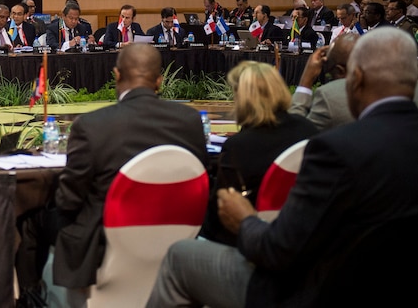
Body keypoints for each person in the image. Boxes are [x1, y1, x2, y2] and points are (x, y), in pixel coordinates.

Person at [146, 27, 418, 308]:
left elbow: (279, 251)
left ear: (356, 78)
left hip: (311, 290)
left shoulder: (337, 150)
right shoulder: (329, 140)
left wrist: (245, 220)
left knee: (179, 255)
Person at [53, 43, 207, 293]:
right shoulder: (190, 121)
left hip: (107, 248)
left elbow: (68, 200)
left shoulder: (92, 126)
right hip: (179, 242)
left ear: (116, 75)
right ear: (160, 80)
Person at [198, 61, 318, 246]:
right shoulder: (309, 130)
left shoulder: (239, 147)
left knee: (178, 252)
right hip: (302, 237)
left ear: (242, 98)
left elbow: (218, 217)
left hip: (248, 245)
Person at [288, 33, 359, 131]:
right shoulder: (383, 89)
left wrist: (306, 80)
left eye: (330, 73)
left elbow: (296, 131)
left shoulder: (328, 96)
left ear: (340, 70)